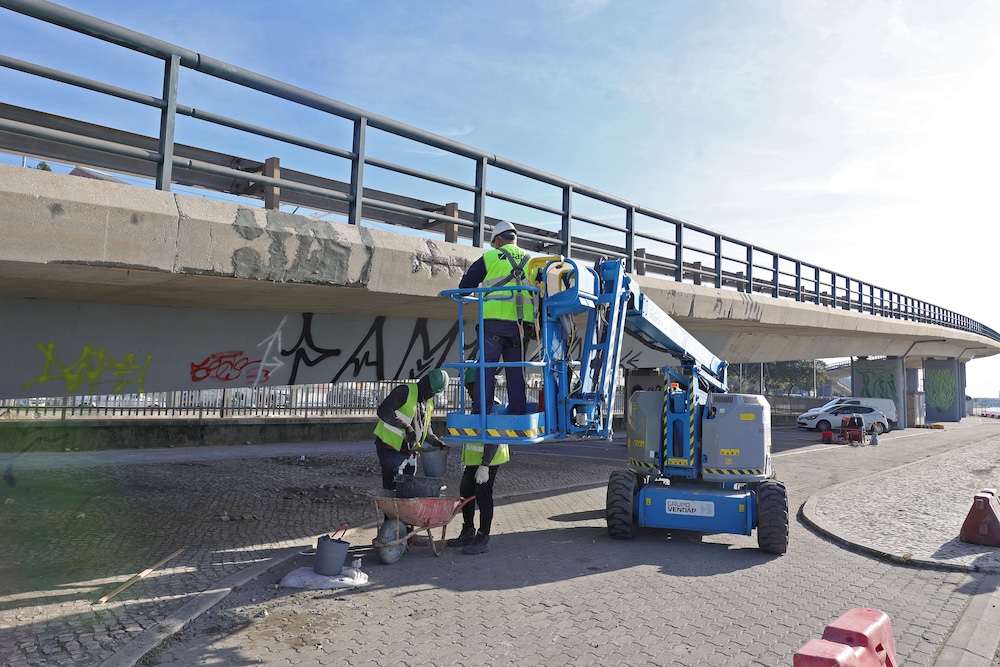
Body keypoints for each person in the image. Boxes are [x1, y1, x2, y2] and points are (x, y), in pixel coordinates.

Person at [458, 220, 534, 416]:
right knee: (516, 371)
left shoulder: (490, 257)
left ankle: (481, 412)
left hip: (494, 325)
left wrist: (465, 296)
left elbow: (464, 286)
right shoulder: (531, 261)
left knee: (486, 369)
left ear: (498, 241)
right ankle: (518, 412)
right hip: (521, 327)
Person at [373, 369, 449, 491]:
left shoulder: (428, 404)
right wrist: (406, 427)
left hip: (410, 451)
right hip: (390, 448)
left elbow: (426, 428)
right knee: (393, 489)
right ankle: (391, 510)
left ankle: (402, 510)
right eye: (432, 392)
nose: (433, 395)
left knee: (407, 489)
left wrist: (435, 441)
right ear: (426, 384)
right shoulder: (405, 391)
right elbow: (383, 411)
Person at [447, 439, 509, 555]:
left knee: (483, 497)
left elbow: (494, 434)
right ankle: (468, 532)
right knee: (465, 492)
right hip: (474, 460)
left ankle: (482, 538)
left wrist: (485, 464)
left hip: (490, 459)